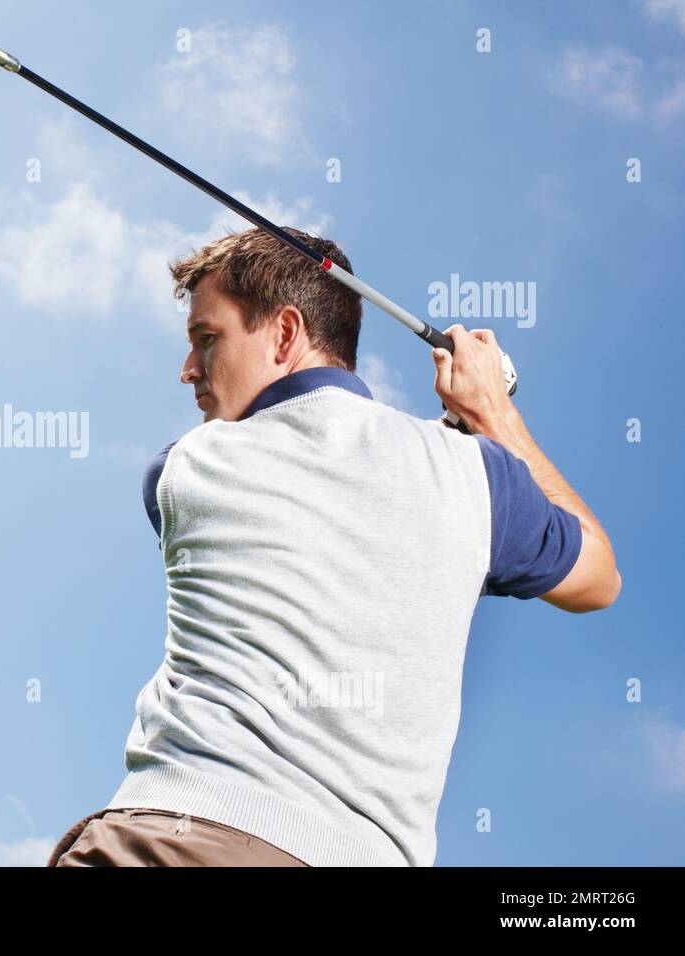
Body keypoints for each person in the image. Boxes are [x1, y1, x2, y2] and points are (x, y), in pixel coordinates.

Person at [47, 227, 621, 867]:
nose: (188, 371)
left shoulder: (182, 468)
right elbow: (598, 576)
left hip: (175, 837)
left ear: (286, 335)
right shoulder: (477, 480)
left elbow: (331, 501)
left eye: (207, 339)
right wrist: (491, 416)